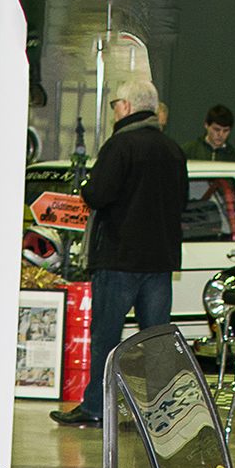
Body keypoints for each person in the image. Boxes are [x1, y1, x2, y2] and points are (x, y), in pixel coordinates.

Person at [51, 77, 186, 427]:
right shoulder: (173, 149)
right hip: (159, 262)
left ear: (125, 106)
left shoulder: (120, 146)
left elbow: (97, 194)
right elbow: (182, 201)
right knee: (156, 341)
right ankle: (161, 415)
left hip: (119, 260)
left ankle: (96, 406)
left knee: (107, 339)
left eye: (115, 105)